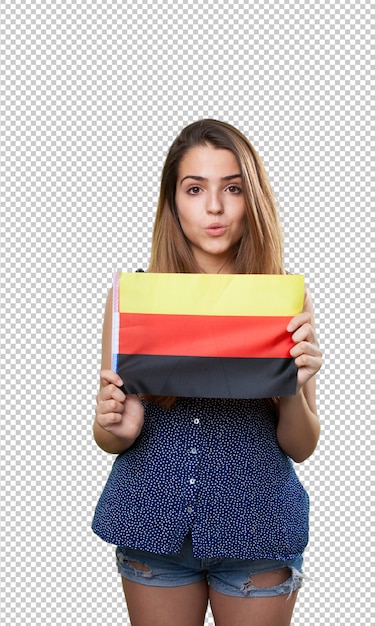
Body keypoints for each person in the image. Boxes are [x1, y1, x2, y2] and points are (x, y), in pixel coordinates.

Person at [92, 119, 322, 626]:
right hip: (151, 526)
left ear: (251, 199)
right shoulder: (133, 299)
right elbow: (110, 433)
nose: (214, 207)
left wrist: (294, 386)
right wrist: (113, 427)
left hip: (257, 529)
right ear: (173, 201)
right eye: (195, 189)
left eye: (232, 188)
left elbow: (302, 446)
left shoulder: (285, 297)